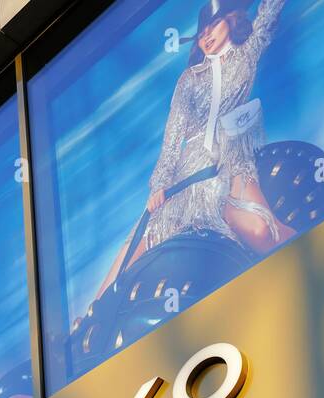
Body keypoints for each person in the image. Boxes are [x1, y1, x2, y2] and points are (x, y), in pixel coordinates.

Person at [93, 0, 289, 302]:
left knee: (262, 231)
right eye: (201, 32)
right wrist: (160, 184)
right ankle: (92, 315)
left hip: (231, 163)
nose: (206, 35)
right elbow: (173, 136)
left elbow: (269, 13)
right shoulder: (189, 79)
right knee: (145, 237)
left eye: (213, 25)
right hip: (189, 172)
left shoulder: (247, 55)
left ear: (231, 21)